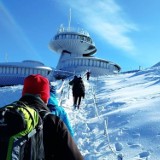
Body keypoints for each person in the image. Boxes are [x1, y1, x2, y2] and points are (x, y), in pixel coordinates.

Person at [19, 74, 83, 159]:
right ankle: (76, 105)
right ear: (46, 96)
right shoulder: (56, 115)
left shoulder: (7, 114)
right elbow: (70, 134)